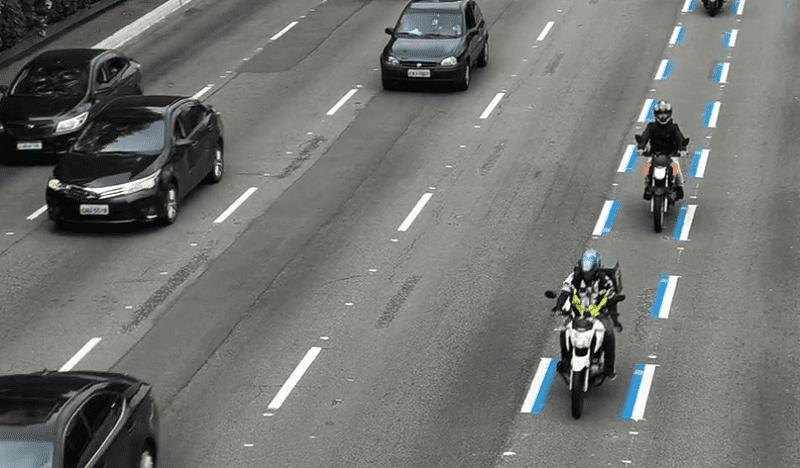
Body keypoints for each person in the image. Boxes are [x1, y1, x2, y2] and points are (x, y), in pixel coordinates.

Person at [553, 250, 623, 379]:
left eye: (590, 272)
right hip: (577, 313)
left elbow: (611, 298)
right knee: (564, 332)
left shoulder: (605, 280)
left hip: (598, 314)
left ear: (595, 268)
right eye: (585, 272)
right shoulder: (574, 277)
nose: (587, 275)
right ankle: (565, 361)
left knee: (609, 333)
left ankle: (609, 368)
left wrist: (615, 319)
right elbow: (565, 292)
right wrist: (559, 307)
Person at [637, 100, 688, 201]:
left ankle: (679, 187)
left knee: (676, 169)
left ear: (669, 114)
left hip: (671, 155)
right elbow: (644, 137)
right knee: (647, 168)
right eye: (660, 114)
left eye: (665, 113)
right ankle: (647, 186)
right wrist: (641, 148)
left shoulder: (673, 127)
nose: (662, 116)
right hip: (654, 155)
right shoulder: (651, 127)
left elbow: (680, 138)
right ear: (656, 115)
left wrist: (682, 150)